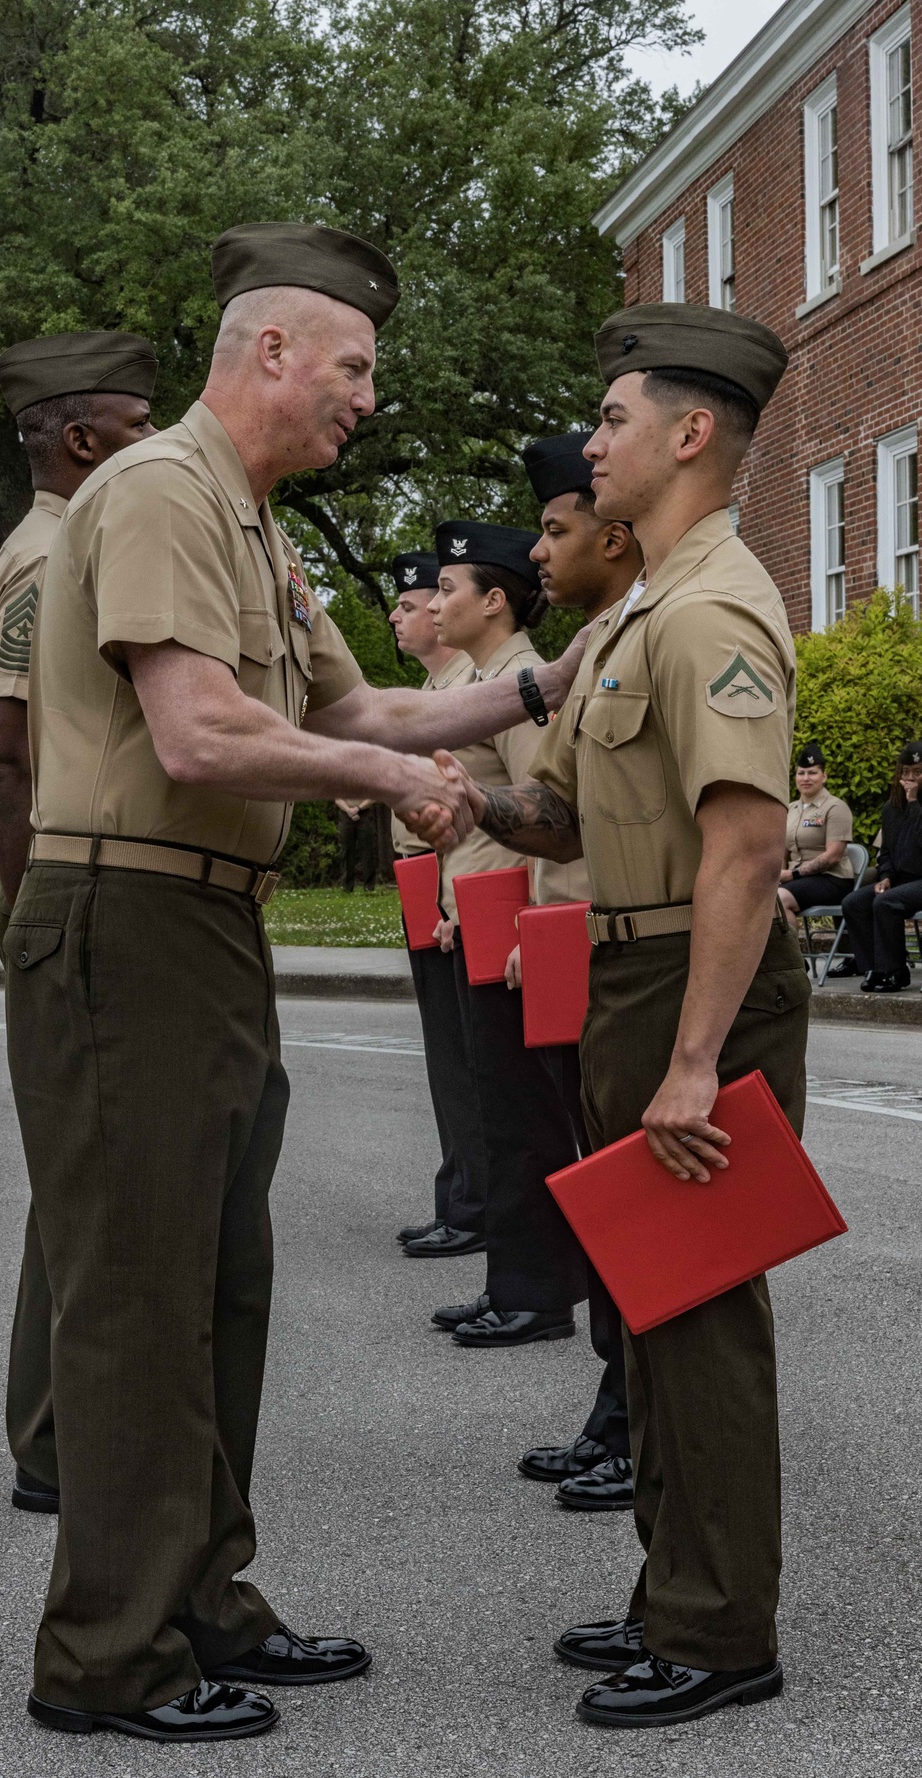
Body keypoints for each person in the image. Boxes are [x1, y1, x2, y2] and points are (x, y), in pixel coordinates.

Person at [6, 221, 587, 1744]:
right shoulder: (156, 492)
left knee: (217, 1287)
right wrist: (394, 779)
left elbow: (369, 699)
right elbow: (200, 733)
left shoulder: (251, 525)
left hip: (201, 927)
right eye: (354, 367)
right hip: (123, 921)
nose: (366, 399)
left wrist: (542, 683)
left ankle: (201, 1595)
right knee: (139, 1296)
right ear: (270, 350)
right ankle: (108, 1653)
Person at [428, 303, 809, 1728]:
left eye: (614, 419)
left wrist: (698, 1060)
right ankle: (672, 1590)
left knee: (701, 1308)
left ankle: (721, 1633)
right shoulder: (644, 605)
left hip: (693, 983)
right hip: (632, 965)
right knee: (652, 1308)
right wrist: (472, 799)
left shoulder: (711, 606)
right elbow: (569, 812)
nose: (594, 444)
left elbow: (747, 844)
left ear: (692, 434)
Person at [0, 331, 159, 1518]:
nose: (155, 445)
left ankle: (49, 1431)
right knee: (90, 1188)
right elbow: (5, 750)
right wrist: (27, 916)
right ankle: (53, 1438)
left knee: (77, 1185)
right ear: (82, 439)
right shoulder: (53, 559)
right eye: (137, 428)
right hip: (73, 893)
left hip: (67, 891)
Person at [510, 430, 643, 1510]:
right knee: (599, 1194)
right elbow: (547, 812)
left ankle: (632, 1412)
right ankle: (620, 1398)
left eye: (554, 528)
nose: (537, 554)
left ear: (612, 528)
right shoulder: (595, 643)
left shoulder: (655, 628)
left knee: (637, 1211)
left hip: (625, 947)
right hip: (573, 937)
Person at [426, 520, 592, 1349]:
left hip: (513, 927)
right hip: (479, 919)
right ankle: (517, 1281)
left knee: (525, 1118)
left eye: (450, 586)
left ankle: (538, 1292)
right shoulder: (489, 677)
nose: (433, 601)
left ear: (495, 601)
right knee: (500, 1111)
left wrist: (533, 926)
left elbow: (545, 809)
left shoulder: (525, 679)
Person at [388, 553, 488, 1257]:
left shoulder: (469, 690)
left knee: (465, 1051)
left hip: (455, 877)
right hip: (423, 877)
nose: (397, 615)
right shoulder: (433, 690)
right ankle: (460, 1189)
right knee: (444, 1049)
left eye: (413, 601)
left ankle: (474, 1200)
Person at [841, 740, 922, 992]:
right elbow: (886, 851)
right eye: (905, 772)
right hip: (901, 880)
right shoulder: (891, 809)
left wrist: (915, 805)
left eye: (917, 772)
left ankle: (895, 972)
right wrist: (885, 876)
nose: (910, 778)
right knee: (853, 903)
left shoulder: (915, 806)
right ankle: (875, 968)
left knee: (886, 903)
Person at [777, 741, 853, 944]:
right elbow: (783, 851)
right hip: (798, 880)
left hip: (831, 879)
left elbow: (833, 856)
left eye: (812, 773)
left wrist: (792, 875)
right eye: (801, 773)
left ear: (824, 776)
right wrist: (778, 875)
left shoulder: (836, 807)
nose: (806, 778)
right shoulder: (791, 809)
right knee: (760, 895)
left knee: (780, 899)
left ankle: (795, 963)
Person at [334, 796, 377, 891]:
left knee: (367, 849)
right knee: (347, 850)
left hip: (365, 813)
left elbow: (373, 797)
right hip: (345, 814)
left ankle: (369, 886)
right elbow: (337, 799)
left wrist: (358, 808)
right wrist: (349, 810)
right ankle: (347, 886)